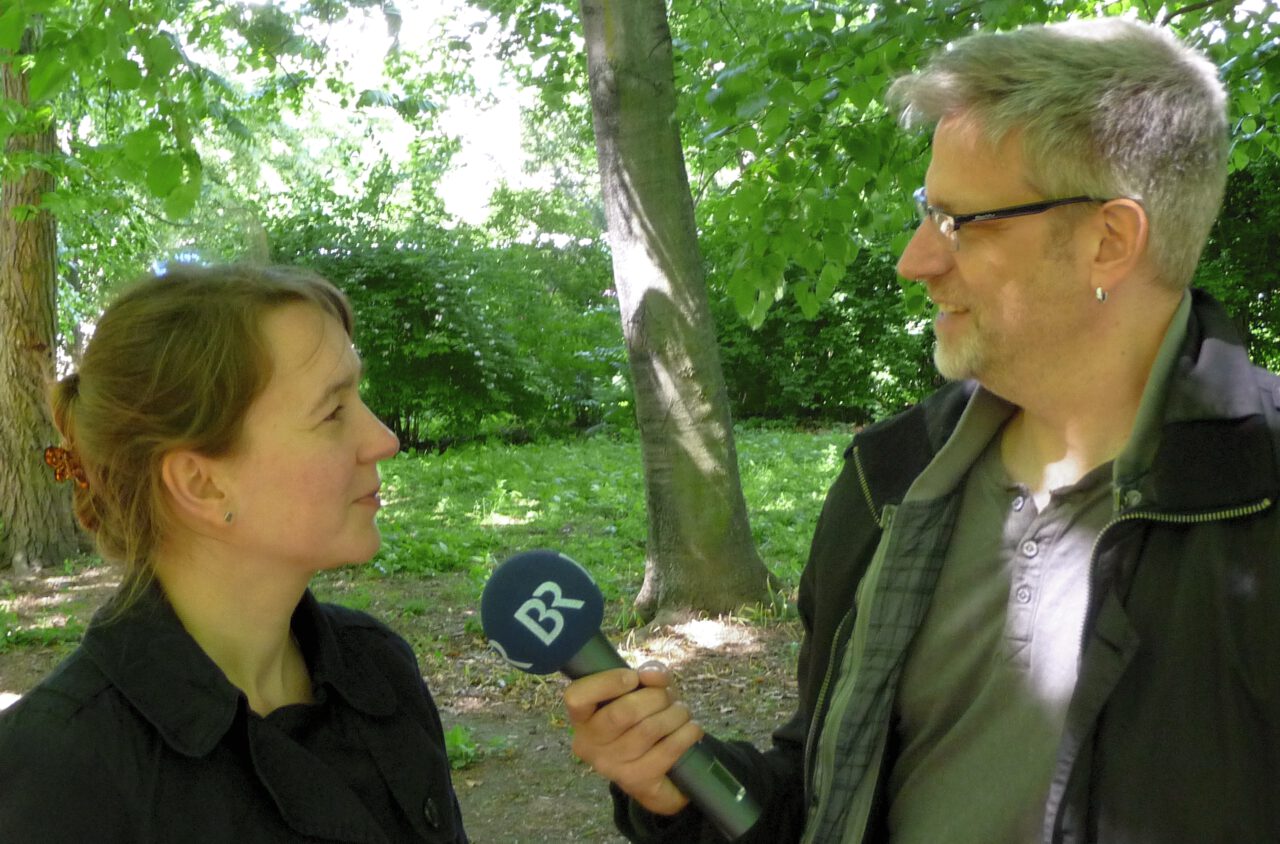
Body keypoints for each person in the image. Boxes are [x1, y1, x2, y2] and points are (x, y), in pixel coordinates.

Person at [562, 17, 1279, 844]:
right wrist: (682, 791)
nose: (914, 261)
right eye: (924, 213)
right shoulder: (889, 481)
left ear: (1108, 241)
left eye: (960, 222)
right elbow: (825, 792)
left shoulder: (1258, 500)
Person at [0, 265, 468, 843]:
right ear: (201, 484)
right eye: (332, 411)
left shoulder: (378, 670)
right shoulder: (61, 771)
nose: (384, 439)